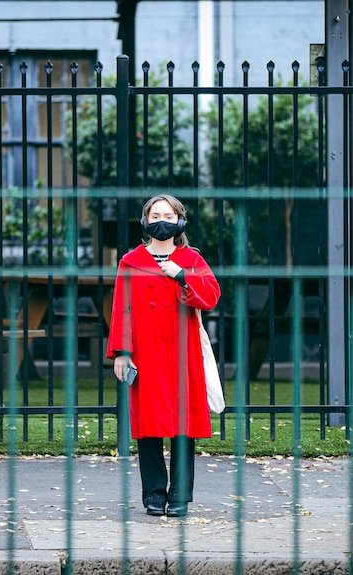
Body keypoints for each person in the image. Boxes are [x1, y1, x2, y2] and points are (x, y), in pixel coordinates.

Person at [106, 194, 221, 518]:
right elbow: (122, 309)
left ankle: (180, 495)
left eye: (168, 215)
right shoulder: (130, 261)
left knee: (183, 424)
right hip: (145, 352)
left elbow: (211, 296)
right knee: (149, 425)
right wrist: (121, 352)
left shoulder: (192, 259)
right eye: (156, 214)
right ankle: (154, 494)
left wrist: (181, 275)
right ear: (145, 220)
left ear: (179, 221)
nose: (162, 220)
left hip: (183, 354)